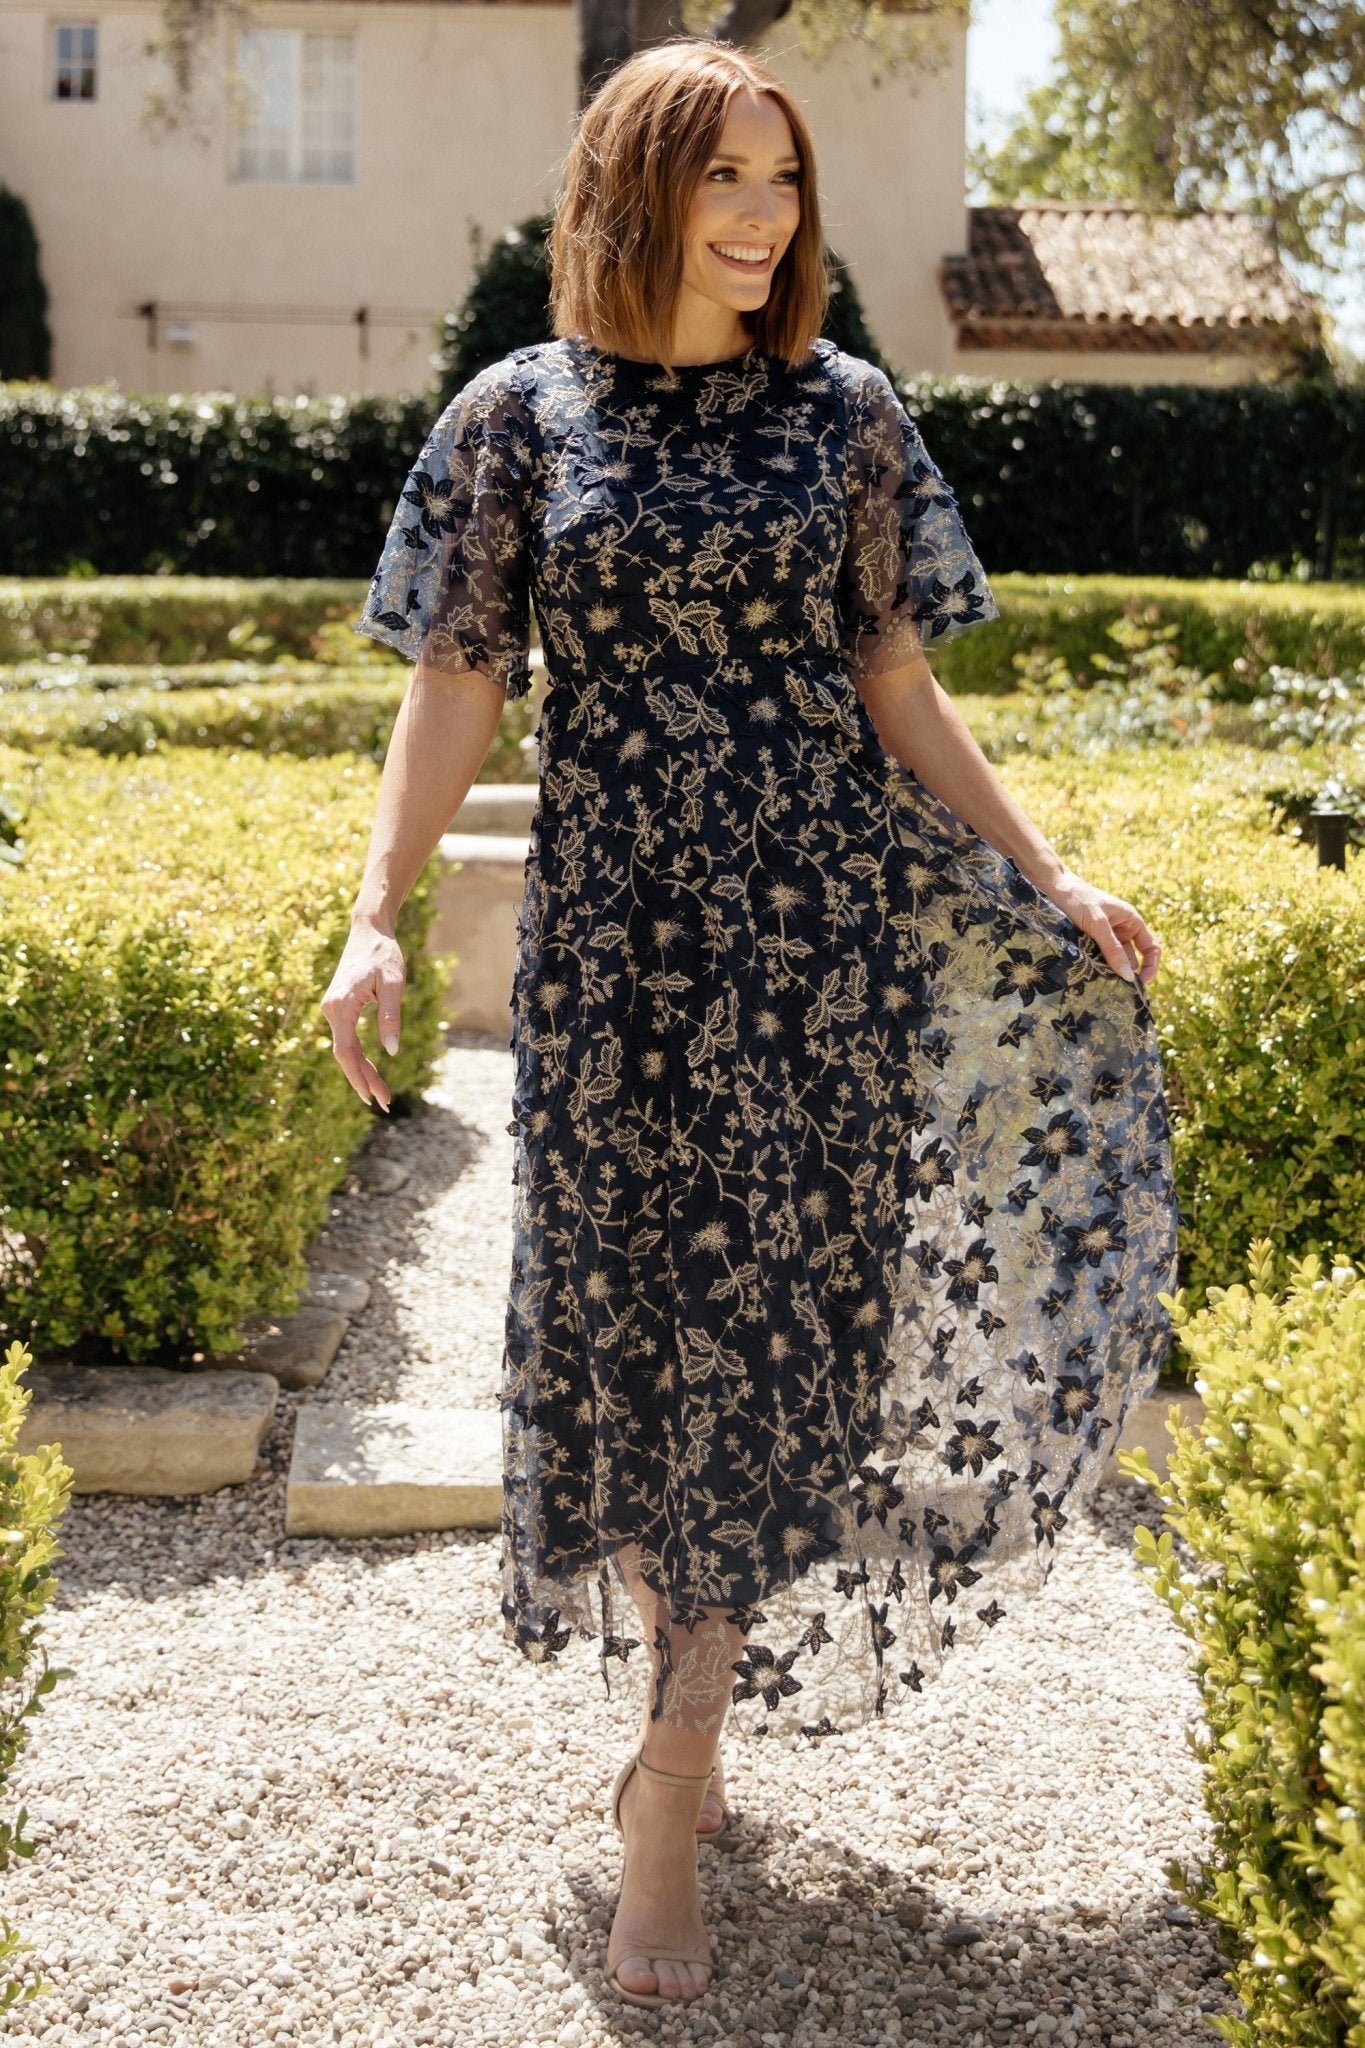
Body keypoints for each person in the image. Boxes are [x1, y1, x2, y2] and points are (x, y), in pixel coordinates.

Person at [324, 36, 1181, 2012]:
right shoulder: (515, 420)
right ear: (632, 188)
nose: (759, 215)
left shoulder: (849, 416)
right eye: (721, 175)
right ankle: (678, 1697)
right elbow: (451, 685)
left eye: (781, 181)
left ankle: (668, 1781)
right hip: (616, 964)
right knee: (633, 1365)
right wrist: (375, 914)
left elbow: (892, 673)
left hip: (818, 952)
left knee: (770, 1363)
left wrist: (1041, 868)